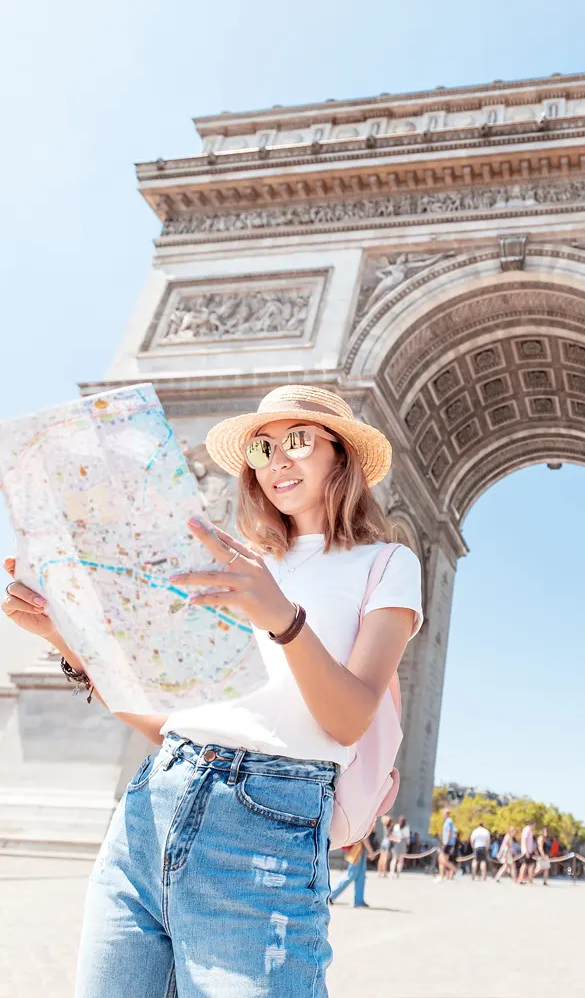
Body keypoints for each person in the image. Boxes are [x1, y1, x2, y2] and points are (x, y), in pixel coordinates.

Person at [3, 384, 423, 997]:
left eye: (298, 441)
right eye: (261, 448)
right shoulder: (231, 561)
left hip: (265, 834)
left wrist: (282, 617)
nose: (278, 460)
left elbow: (350, 718)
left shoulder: (386, 563)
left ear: (344, 456)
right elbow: (166, 722)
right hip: (149, 814)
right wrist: (66, 637)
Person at [330, 837, 379, 908]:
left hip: (359, 849)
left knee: (360, 876)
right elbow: (364, 837)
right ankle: (331, 894)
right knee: (351, 874)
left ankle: (359, 901)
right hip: (357, 849)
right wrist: (371, 851)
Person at [438, 809, 458, 881]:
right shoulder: (447, 821)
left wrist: (445, 842)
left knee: (443, 860)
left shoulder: (449, 821)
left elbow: (449, 832)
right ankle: (441, 876)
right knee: (441, 860)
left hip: (447, 843)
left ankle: (456, 871)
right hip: (446, 843)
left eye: (443, 814)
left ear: (446, 814)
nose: (442, 815)